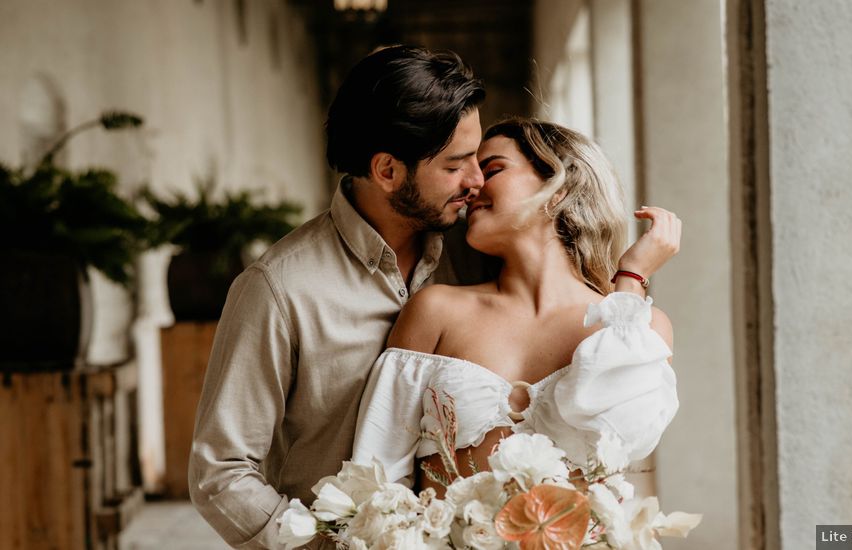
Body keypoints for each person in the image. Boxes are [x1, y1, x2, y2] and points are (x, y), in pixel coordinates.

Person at [188, 45, 492, 549]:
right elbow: (219, 472)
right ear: (388, 171)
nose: (476, 181)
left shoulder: (477, 257)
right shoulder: (278, 288)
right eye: (456, 165)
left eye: (478, 158)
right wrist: (319, 545)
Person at [352, 118, 682, 491]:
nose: (473, 185)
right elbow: (376, 476)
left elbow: (625, 438)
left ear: (559, 187)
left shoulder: (645, 330)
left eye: (492, 169)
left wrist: (632, 276)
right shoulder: (436, 311)